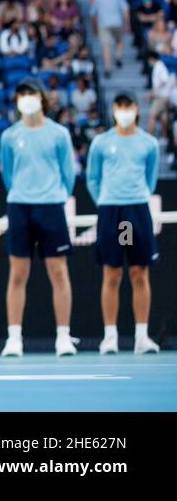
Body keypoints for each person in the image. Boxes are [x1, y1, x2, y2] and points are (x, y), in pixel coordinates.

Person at [0, 79, 79, 357]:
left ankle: (64, 337)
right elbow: (9, 175)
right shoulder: (9, 136)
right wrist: (23, 192)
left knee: (58, 272)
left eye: (31, 93)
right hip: (20, 206)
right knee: (17, 274)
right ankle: (14, 338)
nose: (27, 98)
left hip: (51, 206)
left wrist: (53, 195)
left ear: (41, 97)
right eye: (21, 94)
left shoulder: (59, 134)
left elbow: (68, 176)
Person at [85, 93, 162, 354]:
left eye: (128, 105)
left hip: (137, 210)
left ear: (136, 109)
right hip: (112, 211)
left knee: (139, 272)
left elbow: (150, 180)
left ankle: (142, 336)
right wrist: (106, 201)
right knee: (113, 273)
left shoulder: (149, 143)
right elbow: (93, 179)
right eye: (119, 106)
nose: (124, 110)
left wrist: (135, 198)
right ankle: (110, 337)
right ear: (114, 109)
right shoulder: (101, 143)